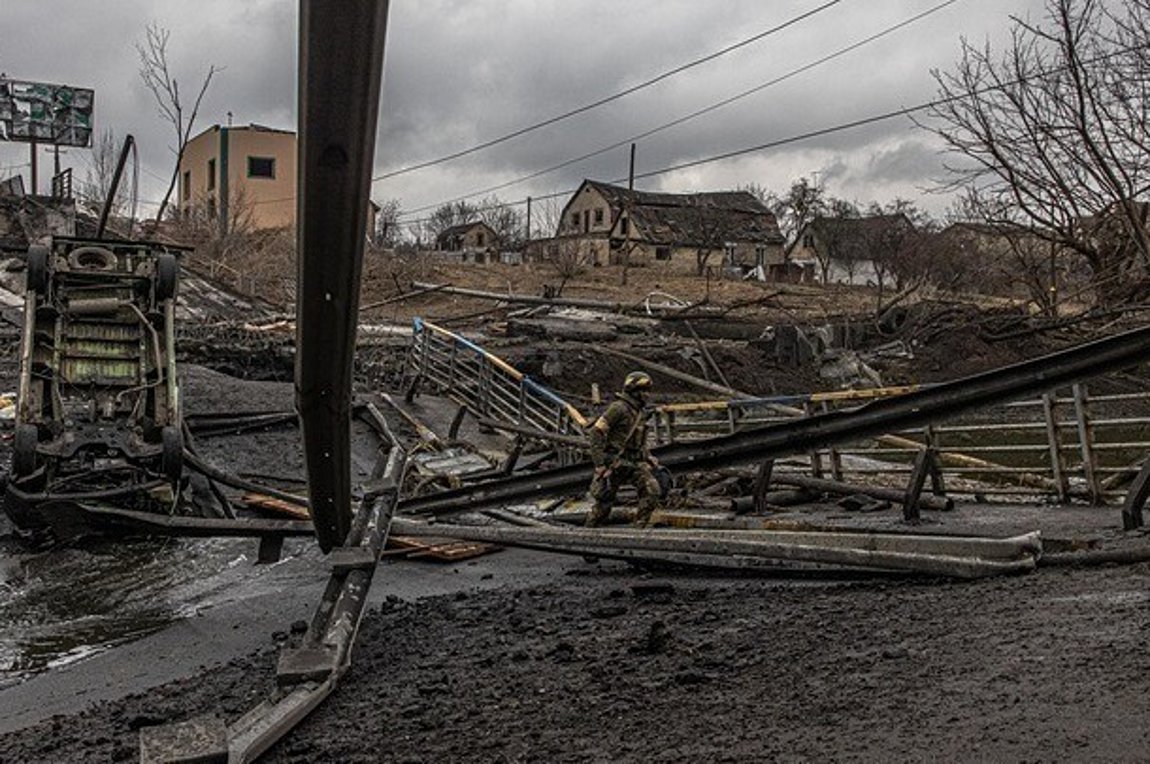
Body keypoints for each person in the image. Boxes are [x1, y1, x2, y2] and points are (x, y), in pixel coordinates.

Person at [586, 370, 662, 527]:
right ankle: (587, 534)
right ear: (633, 391)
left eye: (647, 391)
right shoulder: (618, 409)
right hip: (614, 462)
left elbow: (637, 439)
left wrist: (648, 456)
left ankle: (638, 530)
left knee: (652, 492)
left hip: (634, 462)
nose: (647, 395)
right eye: (643, 391)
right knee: (603, 505)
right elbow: (596, 432)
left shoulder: (639, 412)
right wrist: (600, 464)